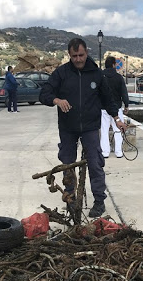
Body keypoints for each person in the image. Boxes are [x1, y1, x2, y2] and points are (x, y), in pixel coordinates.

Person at [40, 37, 126, 218]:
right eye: (74, 56)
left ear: (86, 53)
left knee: (95, 164)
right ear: (69, 55)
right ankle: (70, 199)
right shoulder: (61, 73)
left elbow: (108, 100)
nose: (78, 59)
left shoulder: (96, 74)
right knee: (67, 165)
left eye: (81, 55)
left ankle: (99, 201)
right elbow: (44, 94)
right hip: (67, 128)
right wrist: (57, 100)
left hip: (90, 127)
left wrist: (117, 118)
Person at [100, 55, 130, 158]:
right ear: (114, 65)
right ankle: (118, 152)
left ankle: (105, 152)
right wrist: (126, 105)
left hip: (103, 108)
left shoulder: (101, 76)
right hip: (116, 108)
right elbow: (124, 93)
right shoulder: (118, 77)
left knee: (104, 131)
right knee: (118, 130)